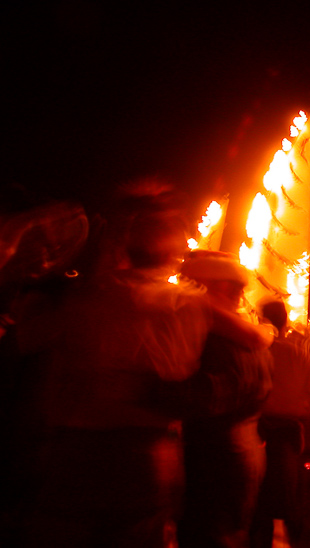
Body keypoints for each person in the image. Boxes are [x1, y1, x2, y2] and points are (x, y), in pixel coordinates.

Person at [22, 182, 272, 548]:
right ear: (172, 248)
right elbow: (255, 337)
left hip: (75, 452)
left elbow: (30, 340)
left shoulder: (84, 299)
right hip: (146, 454)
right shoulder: (191, 305)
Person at [158, 250, 273, 548]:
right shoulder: (244, 335)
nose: (183, 288)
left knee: (210, 536)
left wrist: (152, 390)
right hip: (238, 455)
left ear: (211, 286)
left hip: (215, 460)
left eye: (191, 282)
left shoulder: (218, 337)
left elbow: (209, 395)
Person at [251, 299, 310, 548]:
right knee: (292, 508)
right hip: (292, 436)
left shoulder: (258, 350)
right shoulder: (300, 353)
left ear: (261, 319)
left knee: (260, 509)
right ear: (285, 320)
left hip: (260, 432)